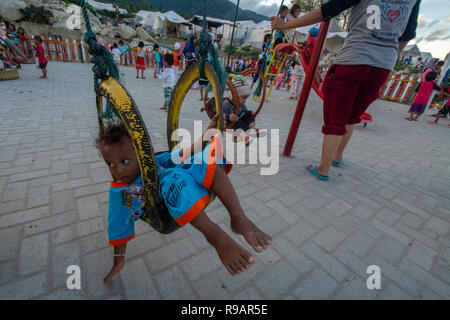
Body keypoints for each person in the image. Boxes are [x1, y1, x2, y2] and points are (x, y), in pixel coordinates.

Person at [97, 119, 272, 283]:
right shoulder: (122, 192)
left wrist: (210, 129)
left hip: (186, 186)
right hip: (166, 209)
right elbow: (118, 226)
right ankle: (216, 236)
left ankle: (238, 218)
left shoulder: (154, 161)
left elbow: (187, 152)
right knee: (172, 178)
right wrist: (118, 261)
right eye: (110, 164)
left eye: (125, 161)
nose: (118, 170)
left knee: (206, 162)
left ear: (143, 155)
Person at [271, 0, 421, 180]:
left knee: (336, 118)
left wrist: (284, 25)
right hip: (383, 65)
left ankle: (323, 168)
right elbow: (407, 34)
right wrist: (387, 54)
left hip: (354, 58)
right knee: (353, 115)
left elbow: (325, 12)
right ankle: (337, 156)